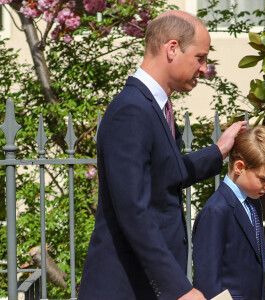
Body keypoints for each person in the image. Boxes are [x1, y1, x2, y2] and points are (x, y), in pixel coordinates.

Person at [78, 10, 247, 300]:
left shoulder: (155, 107)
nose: (204, 68)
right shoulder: (132, 110)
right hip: (124, 288)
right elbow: (133, 210)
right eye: (200, 57)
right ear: (172, 48)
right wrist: (179, 289)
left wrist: (219, 151)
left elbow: (166, 174)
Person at [192, 127, 265, 300]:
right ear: (239, 167)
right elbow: (207, 281)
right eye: (264, 179)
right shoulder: (216, 210)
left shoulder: (253, 204)